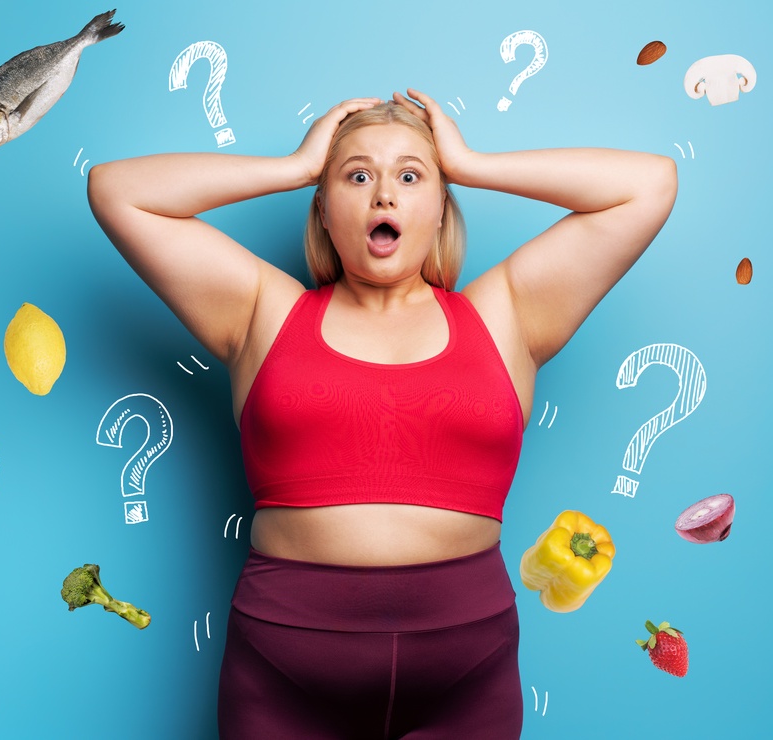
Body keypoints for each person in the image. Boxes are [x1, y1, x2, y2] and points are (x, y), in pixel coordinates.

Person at [87, 90, 677, 739]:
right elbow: (117, 191)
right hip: (282, 673)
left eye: (410, 175)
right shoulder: (262, 309)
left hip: (466, 675)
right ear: (323, 209)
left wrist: (470, 162)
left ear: (440, 209)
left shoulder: (507, 312)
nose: (384, 195)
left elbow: (648, 185)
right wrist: (294, 165)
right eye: (357, 175)